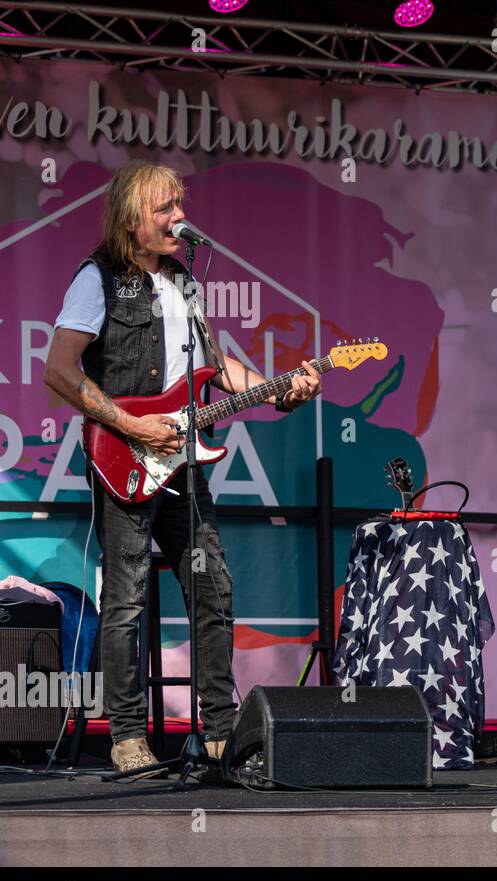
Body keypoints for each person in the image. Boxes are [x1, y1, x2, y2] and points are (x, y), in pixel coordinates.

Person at [43, 160, 321, 776]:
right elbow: (59, 370)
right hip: (128, 459)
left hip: (183, 464)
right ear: (130, 217)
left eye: (180, 206)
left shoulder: (186, 284)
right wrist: (129, 424)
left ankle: (221, 732)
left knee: (213, 588)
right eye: (164, 209)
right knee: (128, 596)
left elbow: (219, 373)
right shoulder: (99, 280)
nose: (179, 219)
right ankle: (125, 735)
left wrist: (282, 390)